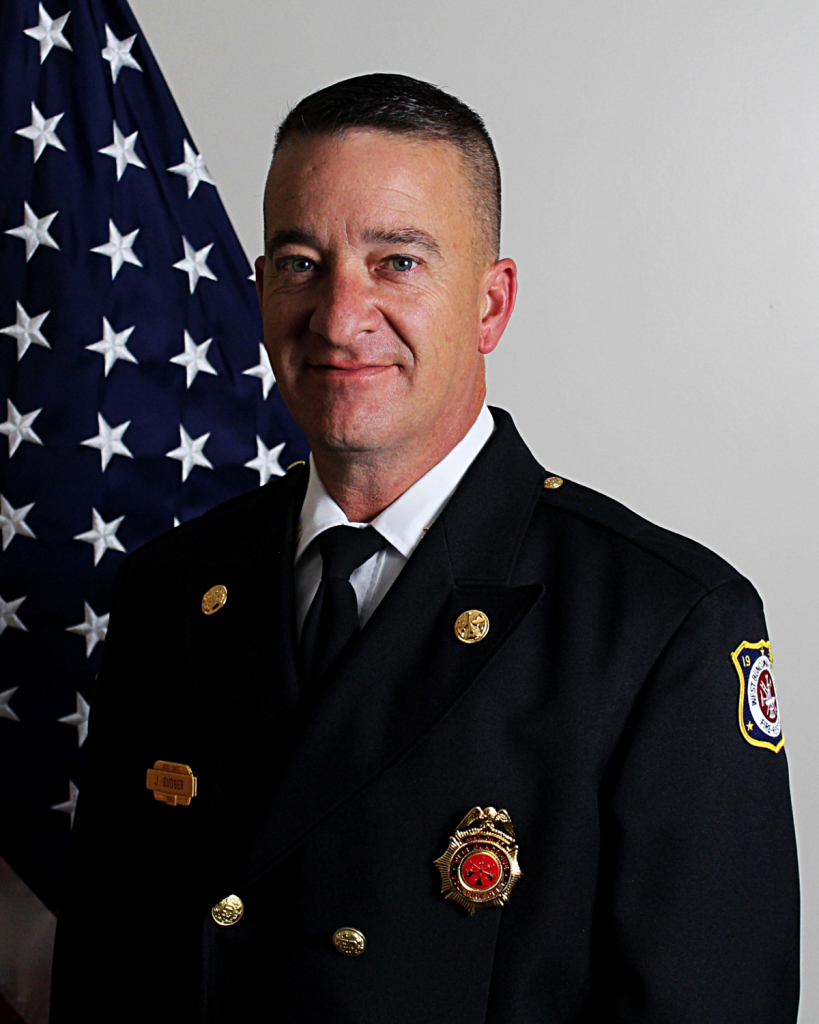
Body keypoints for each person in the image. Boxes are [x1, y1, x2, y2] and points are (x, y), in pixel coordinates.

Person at [51, 73, 799, 1023]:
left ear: (491, 304)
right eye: (300, 261)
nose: (337, 317)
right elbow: (104, 979)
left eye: (396, 262)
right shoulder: (174, 587)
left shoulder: (664, 626)